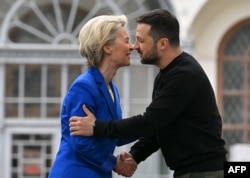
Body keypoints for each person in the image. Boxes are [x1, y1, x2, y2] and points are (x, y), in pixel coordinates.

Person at [69, 8, 228, 178]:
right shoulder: (168, 74)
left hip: (204, 172)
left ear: (162, 44)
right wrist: (135, 155)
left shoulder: (183, 75)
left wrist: (95, 127)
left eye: (140, 40)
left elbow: (150, 122)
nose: (135, 46)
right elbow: (159, 125)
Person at [48, 14, 137, 178]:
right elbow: (80, 141)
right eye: (126, 41)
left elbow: (112, 133)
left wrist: (152, 124)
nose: (131, 47)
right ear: (107, 47)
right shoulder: (84, 86)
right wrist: (114, 163)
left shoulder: (111, 88)